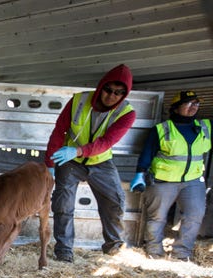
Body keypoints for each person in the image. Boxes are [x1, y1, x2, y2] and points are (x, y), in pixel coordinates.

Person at [45, 64, 136, 263]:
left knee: (115, 202)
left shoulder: (127, 113)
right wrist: (50, 163)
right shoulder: (79, 100)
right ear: (101, 86)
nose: (112, 96)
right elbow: (60, 130)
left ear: (124, 94)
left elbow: (106, 142)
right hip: (70, 161)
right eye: (108, 90)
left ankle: (112, 247)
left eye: (119, 93)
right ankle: (64, 251)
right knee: (63, 204)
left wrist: (78, 150)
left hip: (100, 161)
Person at [130, 90, 211, 261]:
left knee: (194, 215)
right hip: (163, 181)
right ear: (175, 108)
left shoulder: (205, 127)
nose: (194, 106)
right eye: (189, 103)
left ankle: (181, 254)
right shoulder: (161, 129)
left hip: (193, 181)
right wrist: (139, 174)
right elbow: (147, 154)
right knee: (157, 217)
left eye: (196, 103)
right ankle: (154, 251)